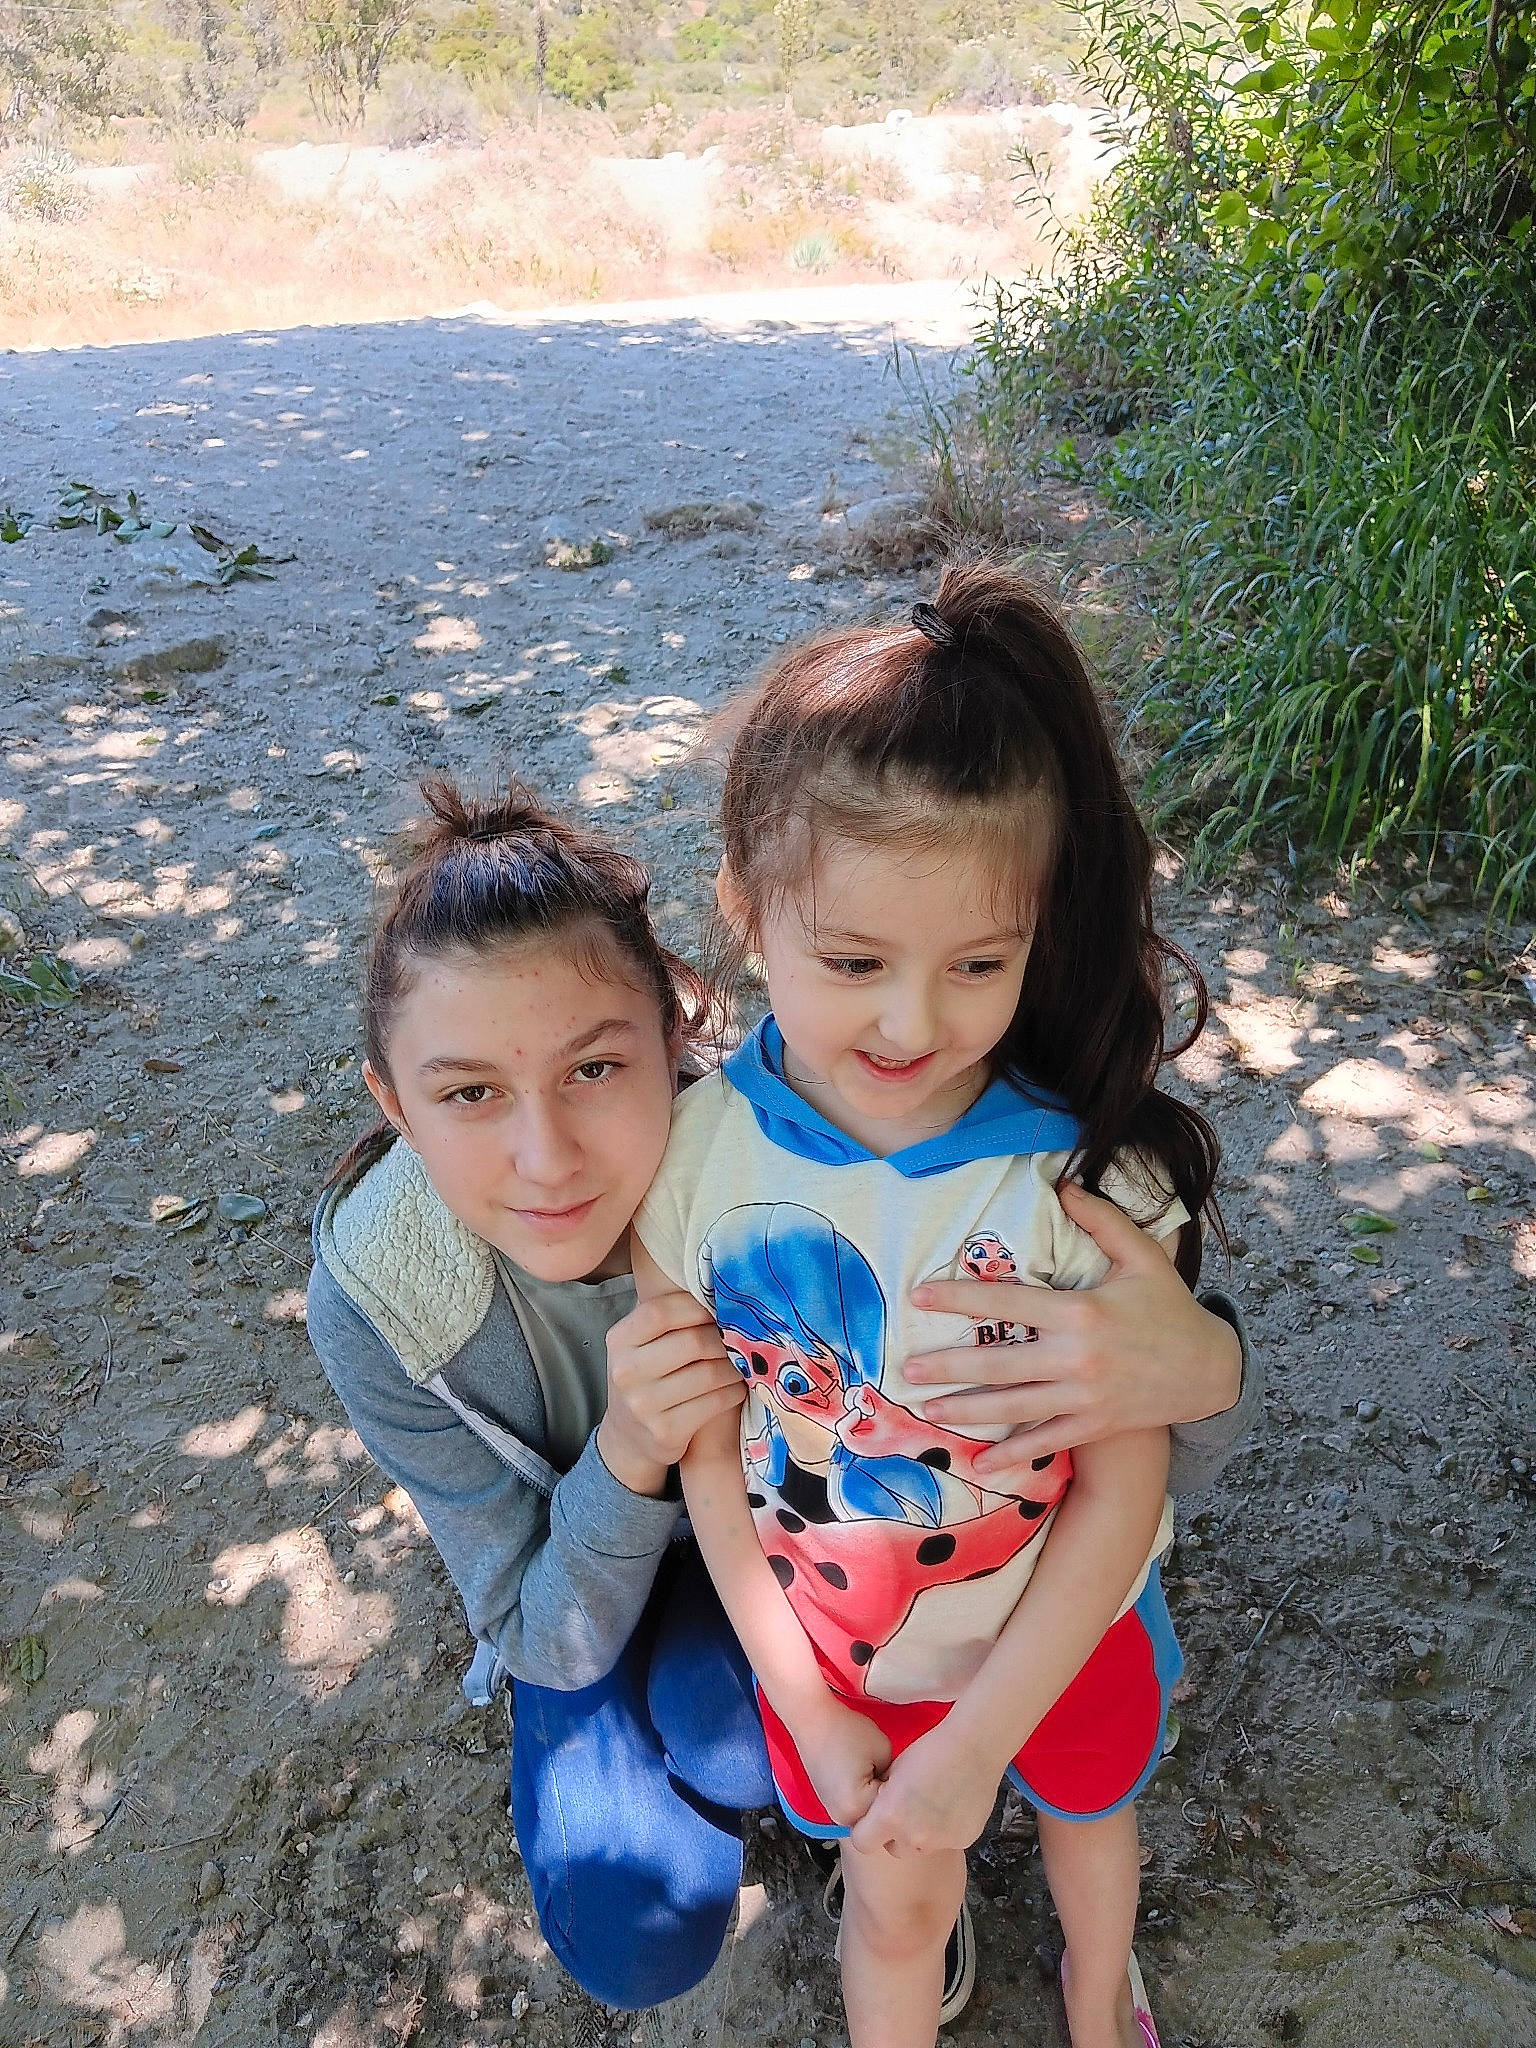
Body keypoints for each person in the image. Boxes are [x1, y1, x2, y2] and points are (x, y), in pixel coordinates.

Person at [307, 767, 1260, 2017]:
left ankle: (913, 1850)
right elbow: (539, 1633)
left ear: (675, 1037)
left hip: (839, 1563)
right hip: (661, 1584)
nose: (546, 1157)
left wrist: (1212, 1368)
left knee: (733, 1726)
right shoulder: (385, 1298)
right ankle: (871, 1835)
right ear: (393, 1101)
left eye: (595, 1069)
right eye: (468, 1090)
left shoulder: (763, 1160)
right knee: (641, 1914)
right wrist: (631, 1445)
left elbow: (1133, 1450)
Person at [633, 563, 1230, 2048]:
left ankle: (1100, 1991)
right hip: (839, 1654)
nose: (914, 1020)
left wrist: (978, 1746)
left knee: (1092, 1815)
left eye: (979, 963)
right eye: (854, 962)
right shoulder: (686, 1163)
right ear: (746, 907)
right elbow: (709, 1461)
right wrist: (803, 1696)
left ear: (1039, 932)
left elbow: (1126, 1475)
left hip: (1065, 1632)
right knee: (892, 1902)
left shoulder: (1082, 1181)